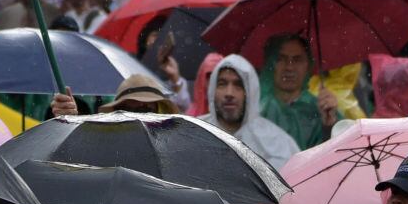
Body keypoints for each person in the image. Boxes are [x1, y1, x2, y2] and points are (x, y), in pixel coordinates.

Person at [199, 54, 298, 170]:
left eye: (238, 85)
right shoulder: (194, 132)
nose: (229, 93)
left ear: (250, 92)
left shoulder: (277, 143)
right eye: (222, 84)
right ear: (212, 90)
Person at [258, 34, 340, 150]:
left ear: (308, 65)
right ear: (270, 64)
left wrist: (329, 125)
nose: (289, 67)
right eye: (281, 59)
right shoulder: (257, 108)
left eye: (297, 60)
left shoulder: (322, 108)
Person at [51, 74, 180, 117]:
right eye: (131, 110)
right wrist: (68, 120)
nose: (140, 118)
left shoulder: (177, 142)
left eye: (146, 110)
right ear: (117, 110)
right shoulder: (105, 140)